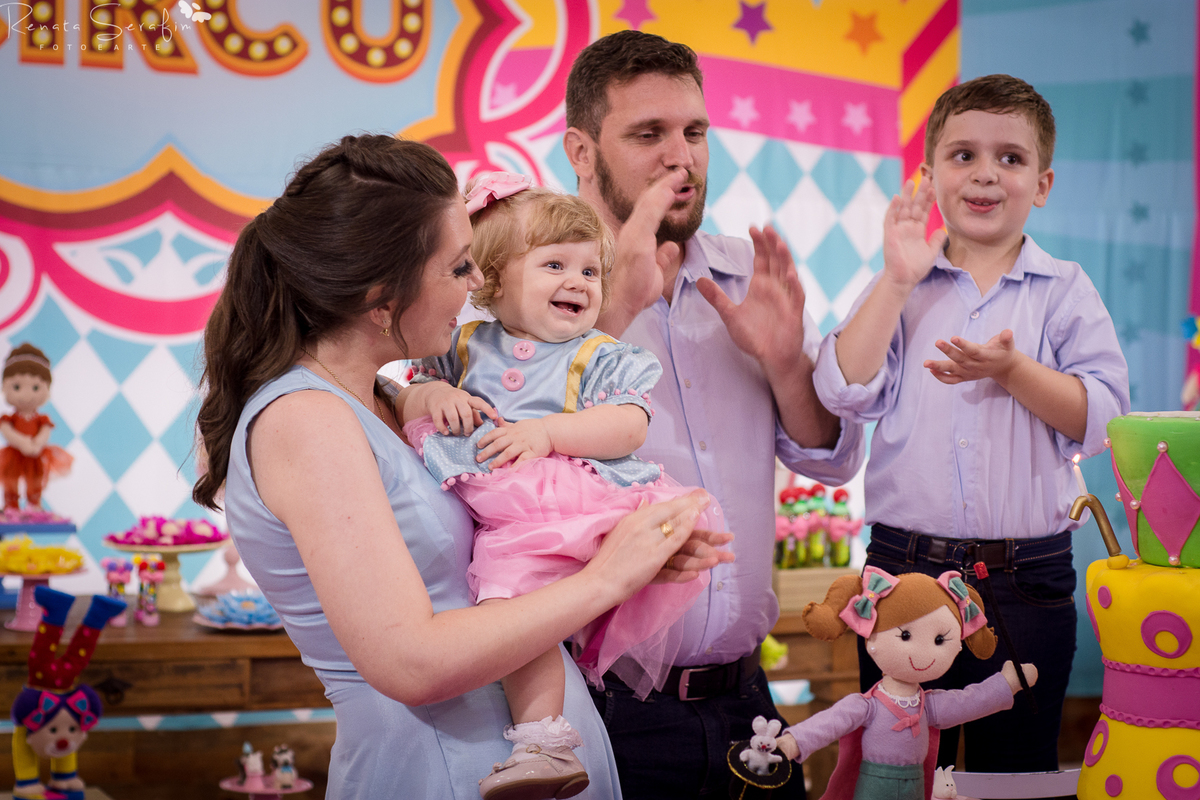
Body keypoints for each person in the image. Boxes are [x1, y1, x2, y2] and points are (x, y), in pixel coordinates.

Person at [191, 134, 730, 799]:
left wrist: (612, 548)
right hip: (442, 772)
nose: (477, 284)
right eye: (458, 267)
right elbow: (411, 662)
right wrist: (605, 579)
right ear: (382, 294)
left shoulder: (392, 399)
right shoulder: (306, 420)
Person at [562, 30, 865, 798]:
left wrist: (787, 365)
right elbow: (502, 459)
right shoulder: (535, 288)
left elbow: (830, 458)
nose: (682, 158)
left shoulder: (745, 275)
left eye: (694, 132)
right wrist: (613, 308)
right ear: (581, 152)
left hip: (747, 702)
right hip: (601, 707)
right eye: (648, 135)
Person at [813, 74, 1130, 775]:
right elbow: (843, 388)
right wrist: (896, 280)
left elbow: (1104, 418)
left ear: (1041, 184)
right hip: (903, 572)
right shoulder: (904, 283)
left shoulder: (1065, 290)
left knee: (1013, 768)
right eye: (964, 155)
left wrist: (1013, 371)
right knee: (896, 766)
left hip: (1026, 578)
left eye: (1010, 158)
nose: (986, 173)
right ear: (929, 177)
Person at [400, 174, 728, 799]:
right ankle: (544, 741)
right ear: (494, 281)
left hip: (567, 503)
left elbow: (630, 424)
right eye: (555, 265)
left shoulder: (599, 354)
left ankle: (543, 741)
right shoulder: (462, 346)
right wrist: (433, 394)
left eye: (590, 271)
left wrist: (549, 432)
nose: (578, 281)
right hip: (514, 509)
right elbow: (403, 394)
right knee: (521, 615)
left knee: (509, 607)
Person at [774, 568, 1037, 800]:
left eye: (939, 640)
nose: (923, 653)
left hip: (915, 787)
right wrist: (792, 742)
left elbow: (970, 702)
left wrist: (1008, 683)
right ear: (872, 636)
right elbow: (827, 724)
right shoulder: (865, 706)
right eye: (906, 635)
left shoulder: (929, 706)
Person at [1, 343, 72, 512]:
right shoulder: (8, 418)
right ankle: (11, 505)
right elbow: (7, 431)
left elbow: (45, 432)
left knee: (35, 478)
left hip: (35, 454)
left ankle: (34, 504)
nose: (26, 395)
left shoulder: (42, 419)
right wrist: (23, 443)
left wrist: (37, 444)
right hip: (14, 454)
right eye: (17, 387)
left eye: (35, 387)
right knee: (10, 478)